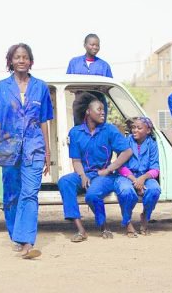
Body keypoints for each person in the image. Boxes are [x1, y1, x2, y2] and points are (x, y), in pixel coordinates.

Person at [0, 43, 53, 259]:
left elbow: (44, 121)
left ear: (31, 61)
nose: (21, 60)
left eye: (25, 57)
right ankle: (17, 236)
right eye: (17, 57)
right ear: (10, 61)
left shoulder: (40, 87)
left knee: (30, 194)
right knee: (12, 196)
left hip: (34, 148)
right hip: (8, 147)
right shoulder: (1, 88)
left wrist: (48, 152)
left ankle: (27, 242)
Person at [57, 92, 132, 242]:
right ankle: (80, 230)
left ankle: (103, 226)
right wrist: (82, 175)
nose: (103, 112)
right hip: (85, 174)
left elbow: (127, 151)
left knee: (92, 195)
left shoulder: (109, 130)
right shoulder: (76, 132)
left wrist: (110, 168)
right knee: (65, 181)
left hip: (103, 175)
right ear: (88, 112)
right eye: (99, 109)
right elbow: (76, 160)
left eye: (104, 109)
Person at [114, 117, 161, 237]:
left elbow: (155, 169)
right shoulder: (126, 142)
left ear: (148, 130)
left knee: (154, 189)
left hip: (145, 176)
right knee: (126, 191)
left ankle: (145, 215)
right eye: (133, 127)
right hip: (126, 176)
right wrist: (135, 180)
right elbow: (120, 166)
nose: (135, 130)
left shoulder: (152, 144)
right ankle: (127, 223)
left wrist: (143, 178)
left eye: (139, 128)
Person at [66, 33, 112, 125]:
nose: (95, 47)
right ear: (85, 45)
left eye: (97, 45)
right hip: (80, 104)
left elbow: (109, 87)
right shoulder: (74, 63)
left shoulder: (104, 65)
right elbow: (68, 85)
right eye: (92, 44)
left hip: (99, 104)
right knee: (80, 131)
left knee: (99, 132)